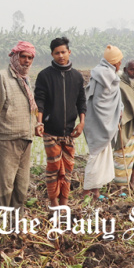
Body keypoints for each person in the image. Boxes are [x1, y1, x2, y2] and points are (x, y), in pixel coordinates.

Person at [0, 41, 36, 214]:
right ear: (15, 57)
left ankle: (15, 226)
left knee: (21, 187)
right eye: (23, 57)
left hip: (26, 139)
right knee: (4, 187)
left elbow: (31, 109)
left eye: (30, 58)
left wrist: (37, 125)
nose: (27, 61)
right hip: (7, 139)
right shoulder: (2, 77)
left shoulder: (26, 79)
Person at [34, 37, 86, 207]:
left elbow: (81, 102)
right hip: (50, 130)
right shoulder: (45, 76)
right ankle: (54, 204)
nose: (61, 55)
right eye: (57, 53)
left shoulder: (77, 76)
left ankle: (64, 203)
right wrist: (39, 122)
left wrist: (81, 123)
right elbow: (39, 102)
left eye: (63, 52)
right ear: (52, 54)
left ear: (69, 52)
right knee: (54, 168)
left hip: (70, 131)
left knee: (68, 169)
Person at [81, 45, 123, 200]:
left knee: (102, 156)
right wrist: (113, 114)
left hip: (105, 121)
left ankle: (96, 191)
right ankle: (87, 191)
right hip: (99, 123)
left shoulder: (105, 73)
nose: (120, 64)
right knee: (95, 155)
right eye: (119, 61)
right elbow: (100, 103)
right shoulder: (106, 75)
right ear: (114, 62)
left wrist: (118, 110)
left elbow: (115, 99)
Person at [115, 60, 134, 187]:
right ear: (126, 70)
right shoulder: (120, 86)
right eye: (132, 70)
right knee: (123, 158)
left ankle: (131, 183)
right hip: (127, 127)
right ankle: (121, 187)